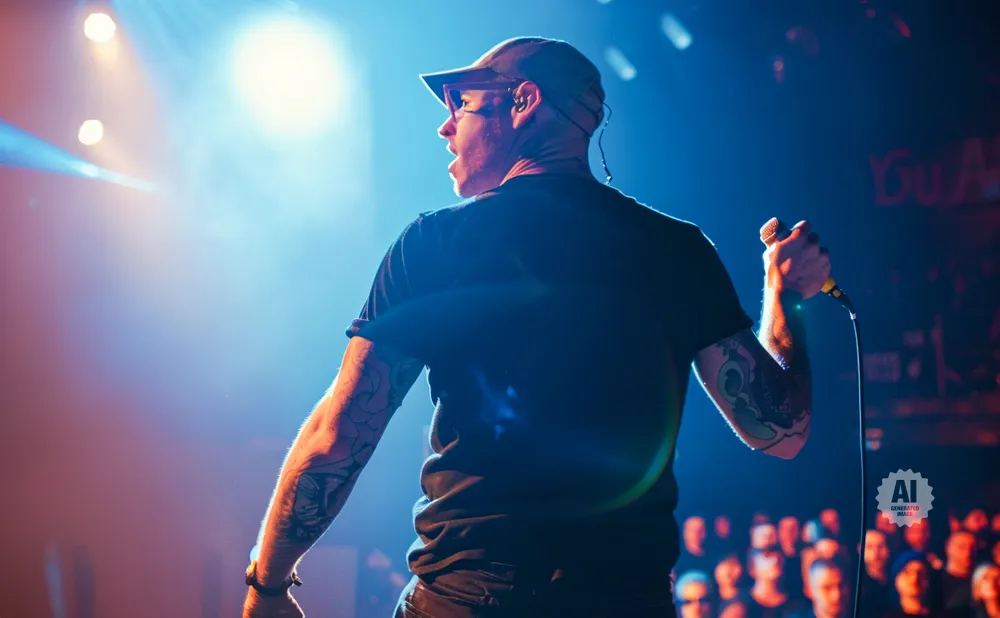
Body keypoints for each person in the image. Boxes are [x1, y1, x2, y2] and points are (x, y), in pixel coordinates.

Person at [240, 36, 830, 618]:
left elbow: (341, 435)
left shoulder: (437, 244)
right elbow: (780, 430)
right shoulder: (679, 252)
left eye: (460, 106)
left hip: (469, 599)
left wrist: (266, 583)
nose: (446, 128)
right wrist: (786, 297)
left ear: (522, 102)